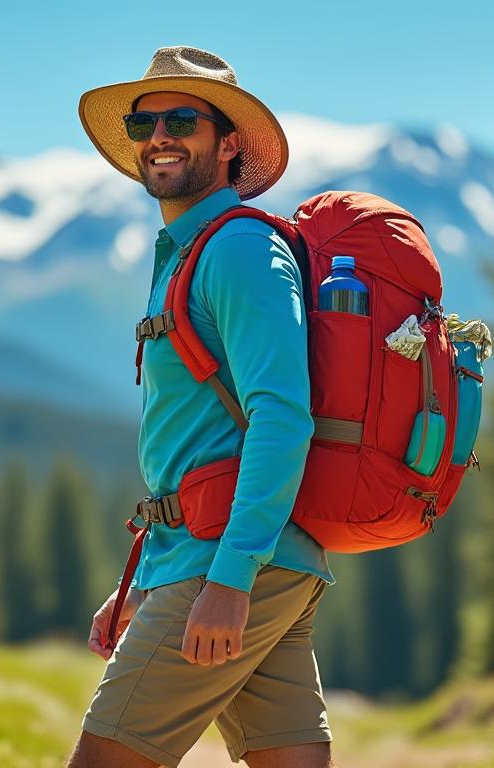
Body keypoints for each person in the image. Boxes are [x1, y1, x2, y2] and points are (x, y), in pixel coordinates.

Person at [67, 46, 336, 768]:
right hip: (231, 556)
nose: (160, 134)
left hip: (229, 560)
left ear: (228, 147)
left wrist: (227, 579)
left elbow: (282, 416)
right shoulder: (188, 250)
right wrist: (147, 576)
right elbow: (201, 438)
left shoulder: (239, 250)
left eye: (182, 118)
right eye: (144, 120)